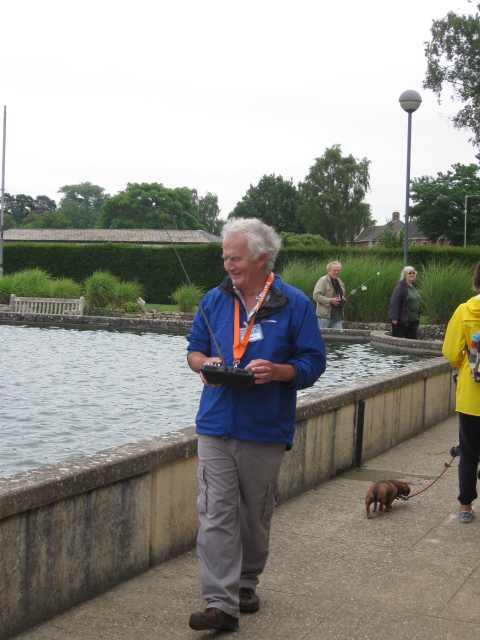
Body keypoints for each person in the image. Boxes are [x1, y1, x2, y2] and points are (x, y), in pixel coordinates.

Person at [186, 218, 326, 632]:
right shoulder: (213, 300)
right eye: (225, 257)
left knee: (255, 515)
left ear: (261, 259)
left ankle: (246, 583)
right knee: (213, 511)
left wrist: (280, 371)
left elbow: (313, 362)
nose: (227, 264)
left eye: (235, 257)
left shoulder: (295, 303)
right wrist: (206, 363)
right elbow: (194, 350)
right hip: (215, 423)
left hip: (265, 428)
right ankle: (220, 602)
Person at [442, 261, 480, 524]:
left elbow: (452, 354)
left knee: (468, 452)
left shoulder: (466, 311)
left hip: (471, 396)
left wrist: (467, 360)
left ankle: (465, 506)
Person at [388, 266, 421, 339]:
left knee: (413, 342)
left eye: (413, 273)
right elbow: (395, 302)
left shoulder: (414, 286)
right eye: (409, 273)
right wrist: (394, 317)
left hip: (414, 320)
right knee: (397, 340)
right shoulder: (400, 286)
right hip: (401, 320)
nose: (412, 274)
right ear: (405, 275)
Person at [313, 261, 346, 329]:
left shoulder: (340, 282)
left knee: (338, 338)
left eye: (338, 270)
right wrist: (330, 300)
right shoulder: (322, 280)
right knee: (322, 338)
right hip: (324, 317)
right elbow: (316, 296)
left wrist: (343, 302)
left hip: (337, 317)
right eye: (334, 270)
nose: (336, 272)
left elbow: (342, 295)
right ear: (329, 270)